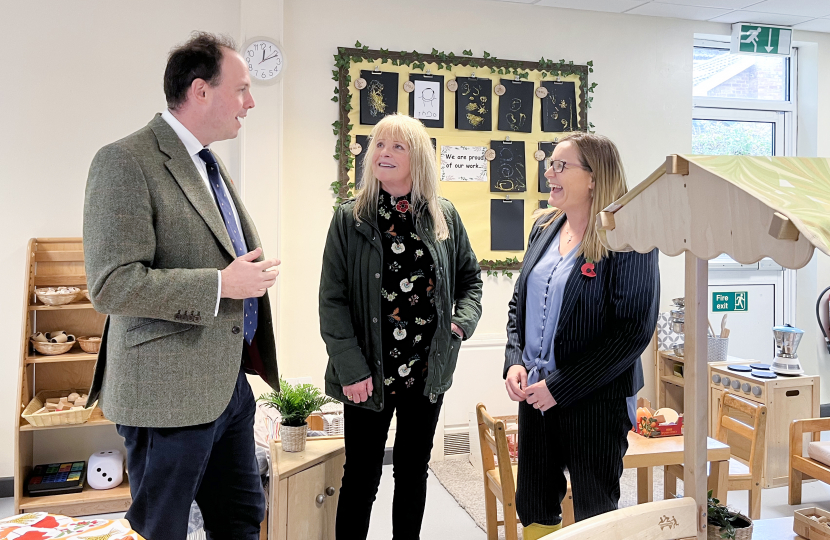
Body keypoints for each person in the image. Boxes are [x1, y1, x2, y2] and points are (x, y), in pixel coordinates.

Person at [83, 32, 280, 540]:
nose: (250, 102)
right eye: (241, 89)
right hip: (166, 393)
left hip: (228, 386)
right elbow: (112, 284)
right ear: (200, 91)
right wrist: (220, 284)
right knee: (162, 528)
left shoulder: (208, 162)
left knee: (239, 518)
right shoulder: (125, 160)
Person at [319, 113, 483, 540]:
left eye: (397, 146)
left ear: (419, 159)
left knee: (412, 473)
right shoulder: (349, 219)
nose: (384, 153)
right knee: (362, 477)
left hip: (426, 373)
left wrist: (460, 326)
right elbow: (331, 301)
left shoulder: (443, 215)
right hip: (366, 376)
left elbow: (470, 280)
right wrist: (350, 369)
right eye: (378, 145)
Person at [503, 132, 659, 539]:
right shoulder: (544, 229)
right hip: (535, 395)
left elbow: (633, 331)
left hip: (594, 400)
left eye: (560, 165)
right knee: (534, 503)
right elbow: (519, 306)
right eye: (549, 163)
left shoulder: (629, 239)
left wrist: (562, 386)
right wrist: (515, 360)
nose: (548, 172)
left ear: (593, 178)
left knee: (594, 510)